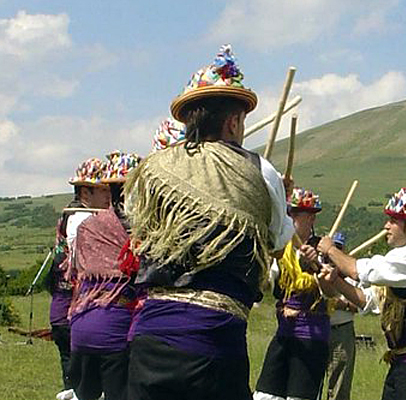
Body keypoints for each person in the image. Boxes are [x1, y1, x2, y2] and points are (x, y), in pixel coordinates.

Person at [123, 45, 294, 400]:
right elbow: (278, 240)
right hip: (214, 341)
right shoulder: (259, 171)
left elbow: (140, 230)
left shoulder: (154, 169)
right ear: (233, 121)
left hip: (149, 337)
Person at [318, 183, 406, 400]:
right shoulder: (404, 257)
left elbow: (363, 271)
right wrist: (337, 281)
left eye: (393, 221)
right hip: (403, 360)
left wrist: (331, 250)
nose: (386, 226)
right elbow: (368, 300)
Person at [67, 151, 141, 400]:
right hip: (116, 330)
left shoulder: (87, 227)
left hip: (81, 324)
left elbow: (75, 272)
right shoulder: (138, 231)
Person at [254, 187, 334, 400]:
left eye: (297, 214)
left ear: (311, 218)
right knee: (265, 396)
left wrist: (317, 266)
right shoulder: (281, 249)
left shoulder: (325, 249)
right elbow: (267, 286)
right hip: (284, 334)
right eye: (289, 214)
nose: (291, 218)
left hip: (311, 337)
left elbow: (331, 292)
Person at [47, 158, 111, 400]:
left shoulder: (71, 216)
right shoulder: (81, 220)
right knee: (83, 389)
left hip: (68, 310)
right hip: (73, 310)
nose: (109, 196)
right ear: (86, 191)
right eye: (103, 190)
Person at [321, 231, 356, 400]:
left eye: (337, 249)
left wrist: (341, 304)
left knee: (340, 381)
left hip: (342, 330)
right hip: (317, 327)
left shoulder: (350, 272)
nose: (330, 254)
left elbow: (360, 304)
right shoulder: (316, 268)